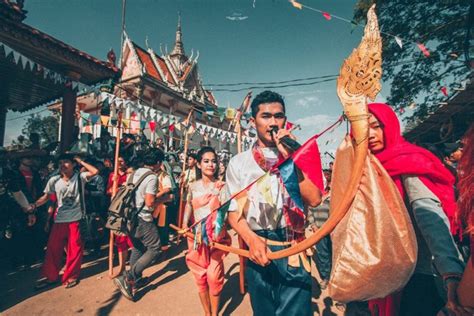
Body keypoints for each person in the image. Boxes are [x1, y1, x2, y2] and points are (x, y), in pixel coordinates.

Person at [225, 91, 322, 316]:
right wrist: (251, 241)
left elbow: (315, 199)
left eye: (278, 116)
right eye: (266, 116)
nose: (273, 123)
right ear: (253, 122)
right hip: (258, 244)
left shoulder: (298, 155)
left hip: (293, 245)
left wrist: (290, 160)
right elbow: (233, 214)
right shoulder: (239, 163)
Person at [366, 103, 466, 316]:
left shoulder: (406, 162)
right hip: (388, 273)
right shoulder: (370, 168)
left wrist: (451, 273)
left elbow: (430, 217)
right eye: (363, 128)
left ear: (390, 126)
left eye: (376, 126)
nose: (370, 134)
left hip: (420, 276)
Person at [33, 153, 99, 289]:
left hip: (77, 219)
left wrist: (80, 161)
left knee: (75, 250)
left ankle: (71, 276)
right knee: (53, 249)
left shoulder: (80, 177)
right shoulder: (54, 180)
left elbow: (95, 171)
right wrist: (33, 205)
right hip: (59, 220)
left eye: (66, 162)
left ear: (73, 164)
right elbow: (46, 197)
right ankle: (51, 276)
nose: (63, 165)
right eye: (60, 162)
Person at [182, 146, 230, 316]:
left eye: (213, 161)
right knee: (200, 277)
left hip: (217, 238)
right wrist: (184, 224)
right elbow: (188, 204)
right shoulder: (192, 186)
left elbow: (224, 214)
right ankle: (207, 313)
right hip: (196, 238)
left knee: (214, 276)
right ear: (199, 164)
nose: (211, 164)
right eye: (206, 161)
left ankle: (215, 314)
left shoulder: (222, 186)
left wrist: (217, 233)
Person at [113, 148, 163, 301]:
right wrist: (164, 199)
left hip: (129, 217)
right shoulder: (152, 177)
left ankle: (137, 279)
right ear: (159, 163)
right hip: (142, 219)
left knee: (138, 247)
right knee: (155, 248)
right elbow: (149, 203)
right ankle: (129, 277)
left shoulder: (134, 173)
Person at [152, 163, 173, 252]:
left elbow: (167, 188)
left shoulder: (164, 175)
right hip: (152, 206)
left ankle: (164, 248)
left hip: (161, 206)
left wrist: (156, 195)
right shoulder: (150, 174)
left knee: (162, 229)